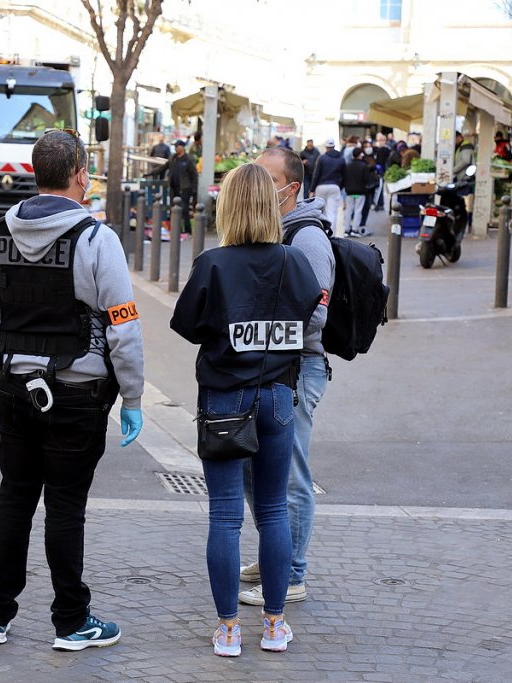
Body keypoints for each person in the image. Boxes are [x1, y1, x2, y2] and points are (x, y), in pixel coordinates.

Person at [0, 129, 145, 651]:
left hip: (16, 393)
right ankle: (71, 621)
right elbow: (123, 325)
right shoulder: (97, 240)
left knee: (14, 500)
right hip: (76, 395)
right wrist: (132, 398)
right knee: (65, 507)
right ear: (79, 176)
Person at [171, 162, 322, 657]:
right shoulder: (294, 262)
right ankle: (275, 625)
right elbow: (310, 313)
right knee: (274, 510)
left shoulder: (213, 263)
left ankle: (230, 629)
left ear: (229, 206)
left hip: (224, 398)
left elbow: (187, 324)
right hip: (278, 395)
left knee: (224, 516)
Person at [237, 147, 335, 611]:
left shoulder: (308, 239)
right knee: (255, 470)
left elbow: (315, 318)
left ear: (290, 188)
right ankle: (273, 554)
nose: (256, 185)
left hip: (299, 367)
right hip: (269, 365)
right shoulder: (271, 228)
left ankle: (292, 572)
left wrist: (258, 318)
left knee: (289, 472)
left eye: (265, 178)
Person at [149, 139, 198, 232]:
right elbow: (163, 168)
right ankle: (176, 229)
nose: (176, 148)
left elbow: (194, 175)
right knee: (173, 209)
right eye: (175, 146)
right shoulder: (173, 158)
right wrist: (151, 173)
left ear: (182, 147)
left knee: (184, 209)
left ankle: (187, 229)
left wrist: (194, 190)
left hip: (185, 188)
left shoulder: (188, 159)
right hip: (173, 187)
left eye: (177, 146)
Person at [309, 139, 346, 233]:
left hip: (321, 187)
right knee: (332, 212)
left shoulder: (322, 158)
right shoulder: (341, 159)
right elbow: (345, 175)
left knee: (321, 211)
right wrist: (340, 187)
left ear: (326, 147)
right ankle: (331, 234)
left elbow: (316, 175)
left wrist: (312, 189)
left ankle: (321, 232)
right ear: (334, 147)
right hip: (335, 187)